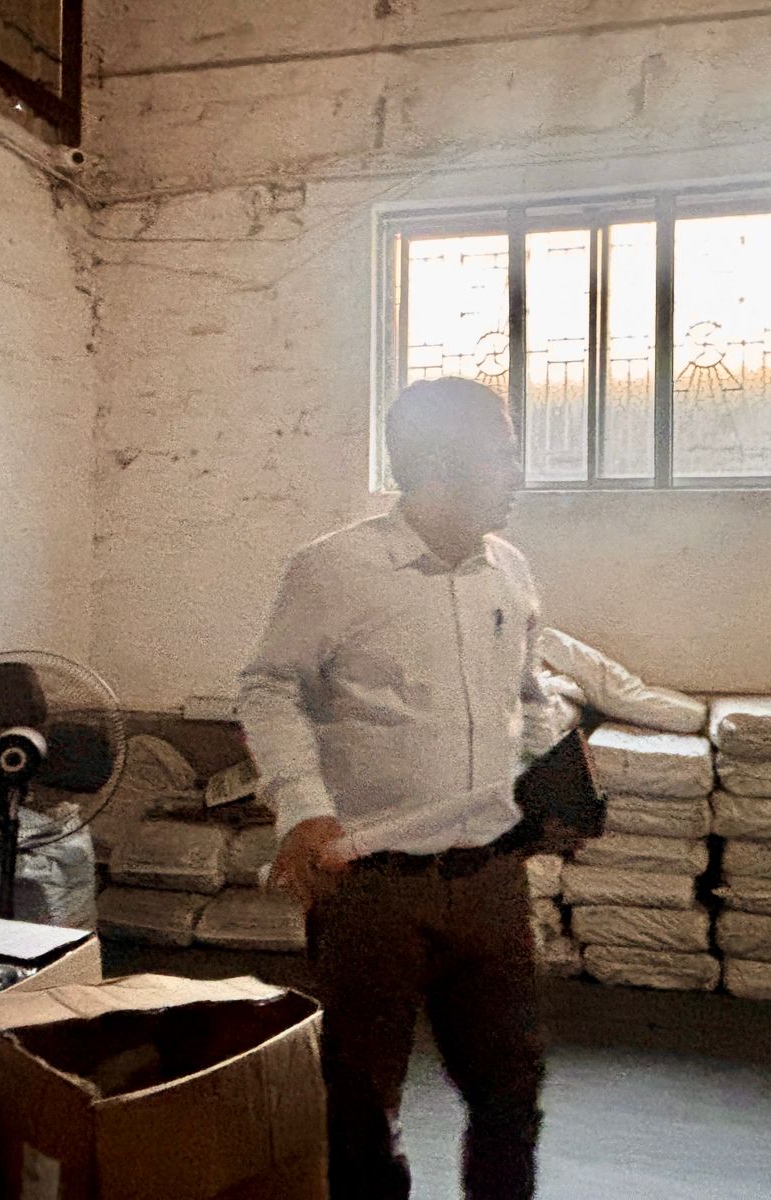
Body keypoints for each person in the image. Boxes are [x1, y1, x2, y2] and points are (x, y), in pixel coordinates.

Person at [238, 376, 544, 1200]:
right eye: (504, 455)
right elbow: (269, 689)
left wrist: (552, 789)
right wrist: (303, 809)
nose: (519, 474)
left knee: (511, 1088)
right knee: (361, 1102)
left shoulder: (509, 571)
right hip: (372, 885)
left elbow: (529, 694)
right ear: (442, 463)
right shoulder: (334, 570)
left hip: (491, 879)